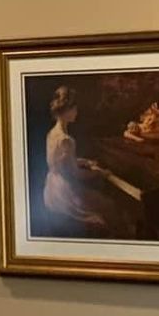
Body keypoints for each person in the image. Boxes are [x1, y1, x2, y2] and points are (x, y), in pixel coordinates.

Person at [43, 85, 114, 232]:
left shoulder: (52, 133)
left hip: (51, 189)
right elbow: (77, 174)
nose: (77, 111)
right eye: (74, 108)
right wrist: (100, 173)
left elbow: (61, 163)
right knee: (108, 206)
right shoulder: (67, 140)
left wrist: (85, 162)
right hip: (65, 194)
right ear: (66, 110)